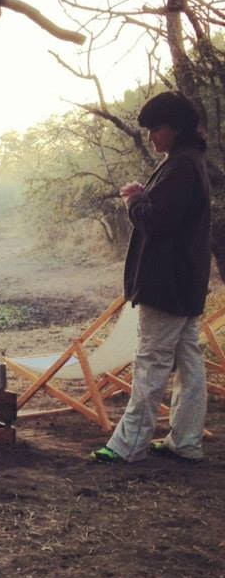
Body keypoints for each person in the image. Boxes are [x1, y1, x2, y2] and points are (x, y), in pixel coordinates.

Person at [91, 91, 211, 464]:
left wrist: (134, 202)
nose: (152, 137)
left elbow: (158, 222)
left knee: (151, 362)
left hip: (167, 283)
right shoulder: (190, 162)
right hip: (185, 281)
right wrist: (146, 196)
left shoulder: (181, 166)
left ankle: (129, 445)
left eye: (156, 129)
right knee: (189, 364)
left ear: (175, 128)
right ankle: (186, 441)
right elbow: (173, 213)